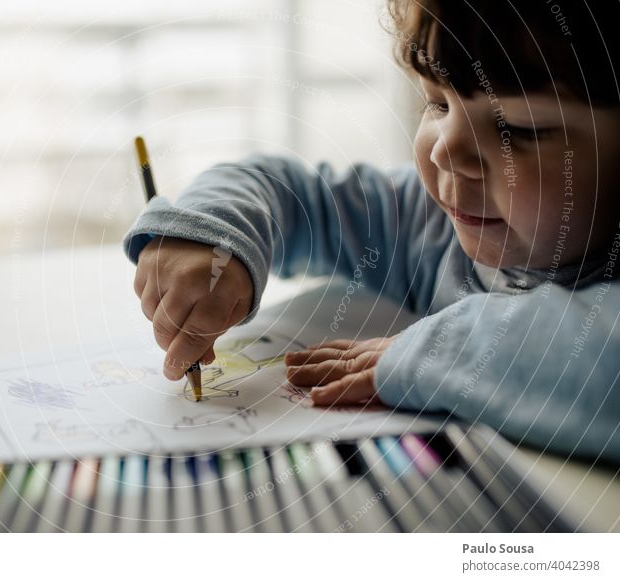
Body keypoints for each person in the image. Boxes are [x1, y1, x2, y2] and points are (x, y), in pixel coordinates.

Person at [123, 0, 620, 463]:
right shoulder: (425, 222)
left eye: (519, 129)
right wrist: (212, 236)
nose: (446, 151)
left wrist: (432, 352)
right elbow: (286, 190)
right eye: (437, 103)